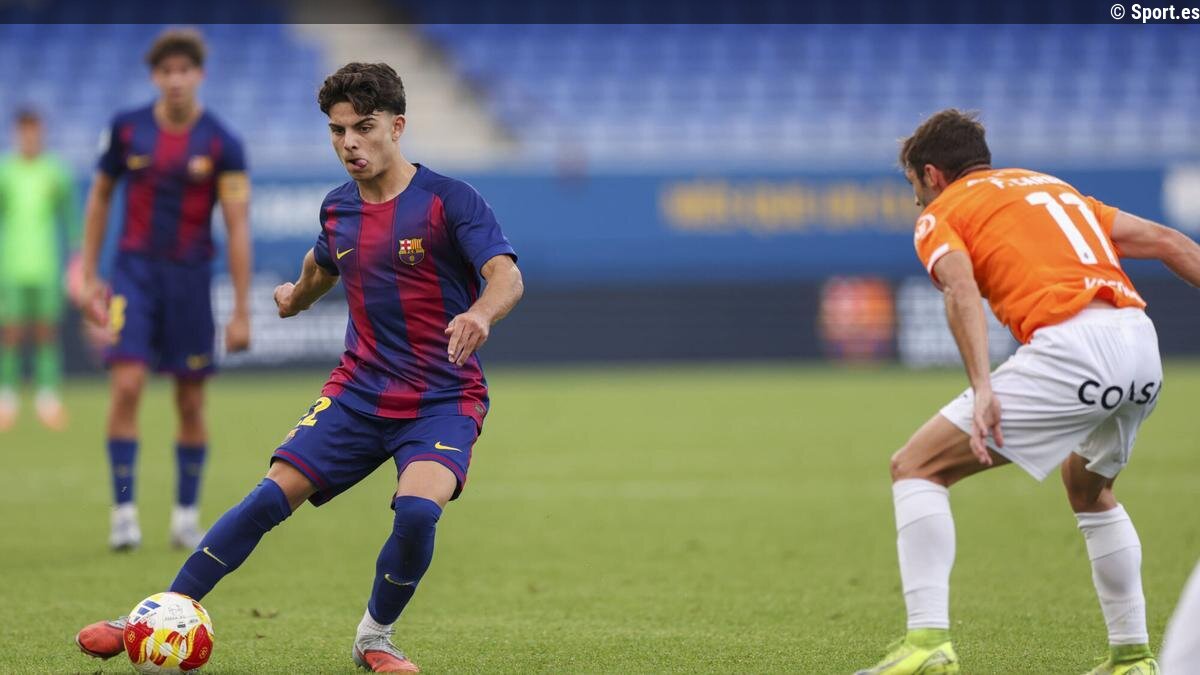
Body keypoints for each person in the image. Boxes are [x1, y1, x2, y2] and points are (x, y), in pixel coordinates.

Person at [75, 62, 524, 673]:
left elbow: (506, 275)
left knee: (419, 511)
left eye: (364, 128)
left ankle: (375, 639)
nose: (350, 143)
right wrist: (294, 298)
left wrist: (479, 313)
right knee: (267, 498)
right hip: (358, 393)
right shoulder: (337, 209)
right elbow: (321, 267)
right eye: (338, 131)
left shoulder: (450, 200)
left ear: (397, 127)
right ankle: (149, 617)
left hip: (443, 398)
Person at [857, 109, 1200, 675]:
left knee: (916, 467)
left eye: (915, 185)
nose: (917, 200)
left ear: (932, 174)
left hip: (1073, 348)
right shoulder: (1052, 189)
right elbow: (1166, 241)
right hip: (1140, 345)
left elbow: (960, 289)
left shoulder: (944, 212)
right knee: (1089, 488)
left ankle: (927, 645)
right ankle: (1132, 658)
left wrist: (982, 387)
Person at [76, 28, 252, 551]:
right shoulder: (126, 129)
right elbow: (100, 196)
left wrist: (241, 310)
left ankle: (185, 517)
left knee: (191, 401)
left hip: (191, 280)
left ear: (199, 75)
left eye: (184, 70)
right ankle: (124, 512)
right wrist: (90, 274)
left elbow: (237, 225)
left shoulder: (222, 142)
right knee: (127, 385)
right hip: (134, 275)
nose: (175, 80)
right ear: (155, 76)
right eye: (166, 71)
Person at [0, 108, 79, 430]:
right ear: (17, 134)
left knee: (47, 332)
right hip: (11, 267)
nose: (30, 138)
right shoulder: (5, 172)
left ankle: (48, 399)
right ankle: (7, 399)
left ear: (42, 133)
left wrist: (76, 259)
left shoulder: (56, 172)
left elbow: (71, 220)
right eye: (24, 132)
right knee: (11, 333)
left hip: (46, 266)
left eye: (34, 131)